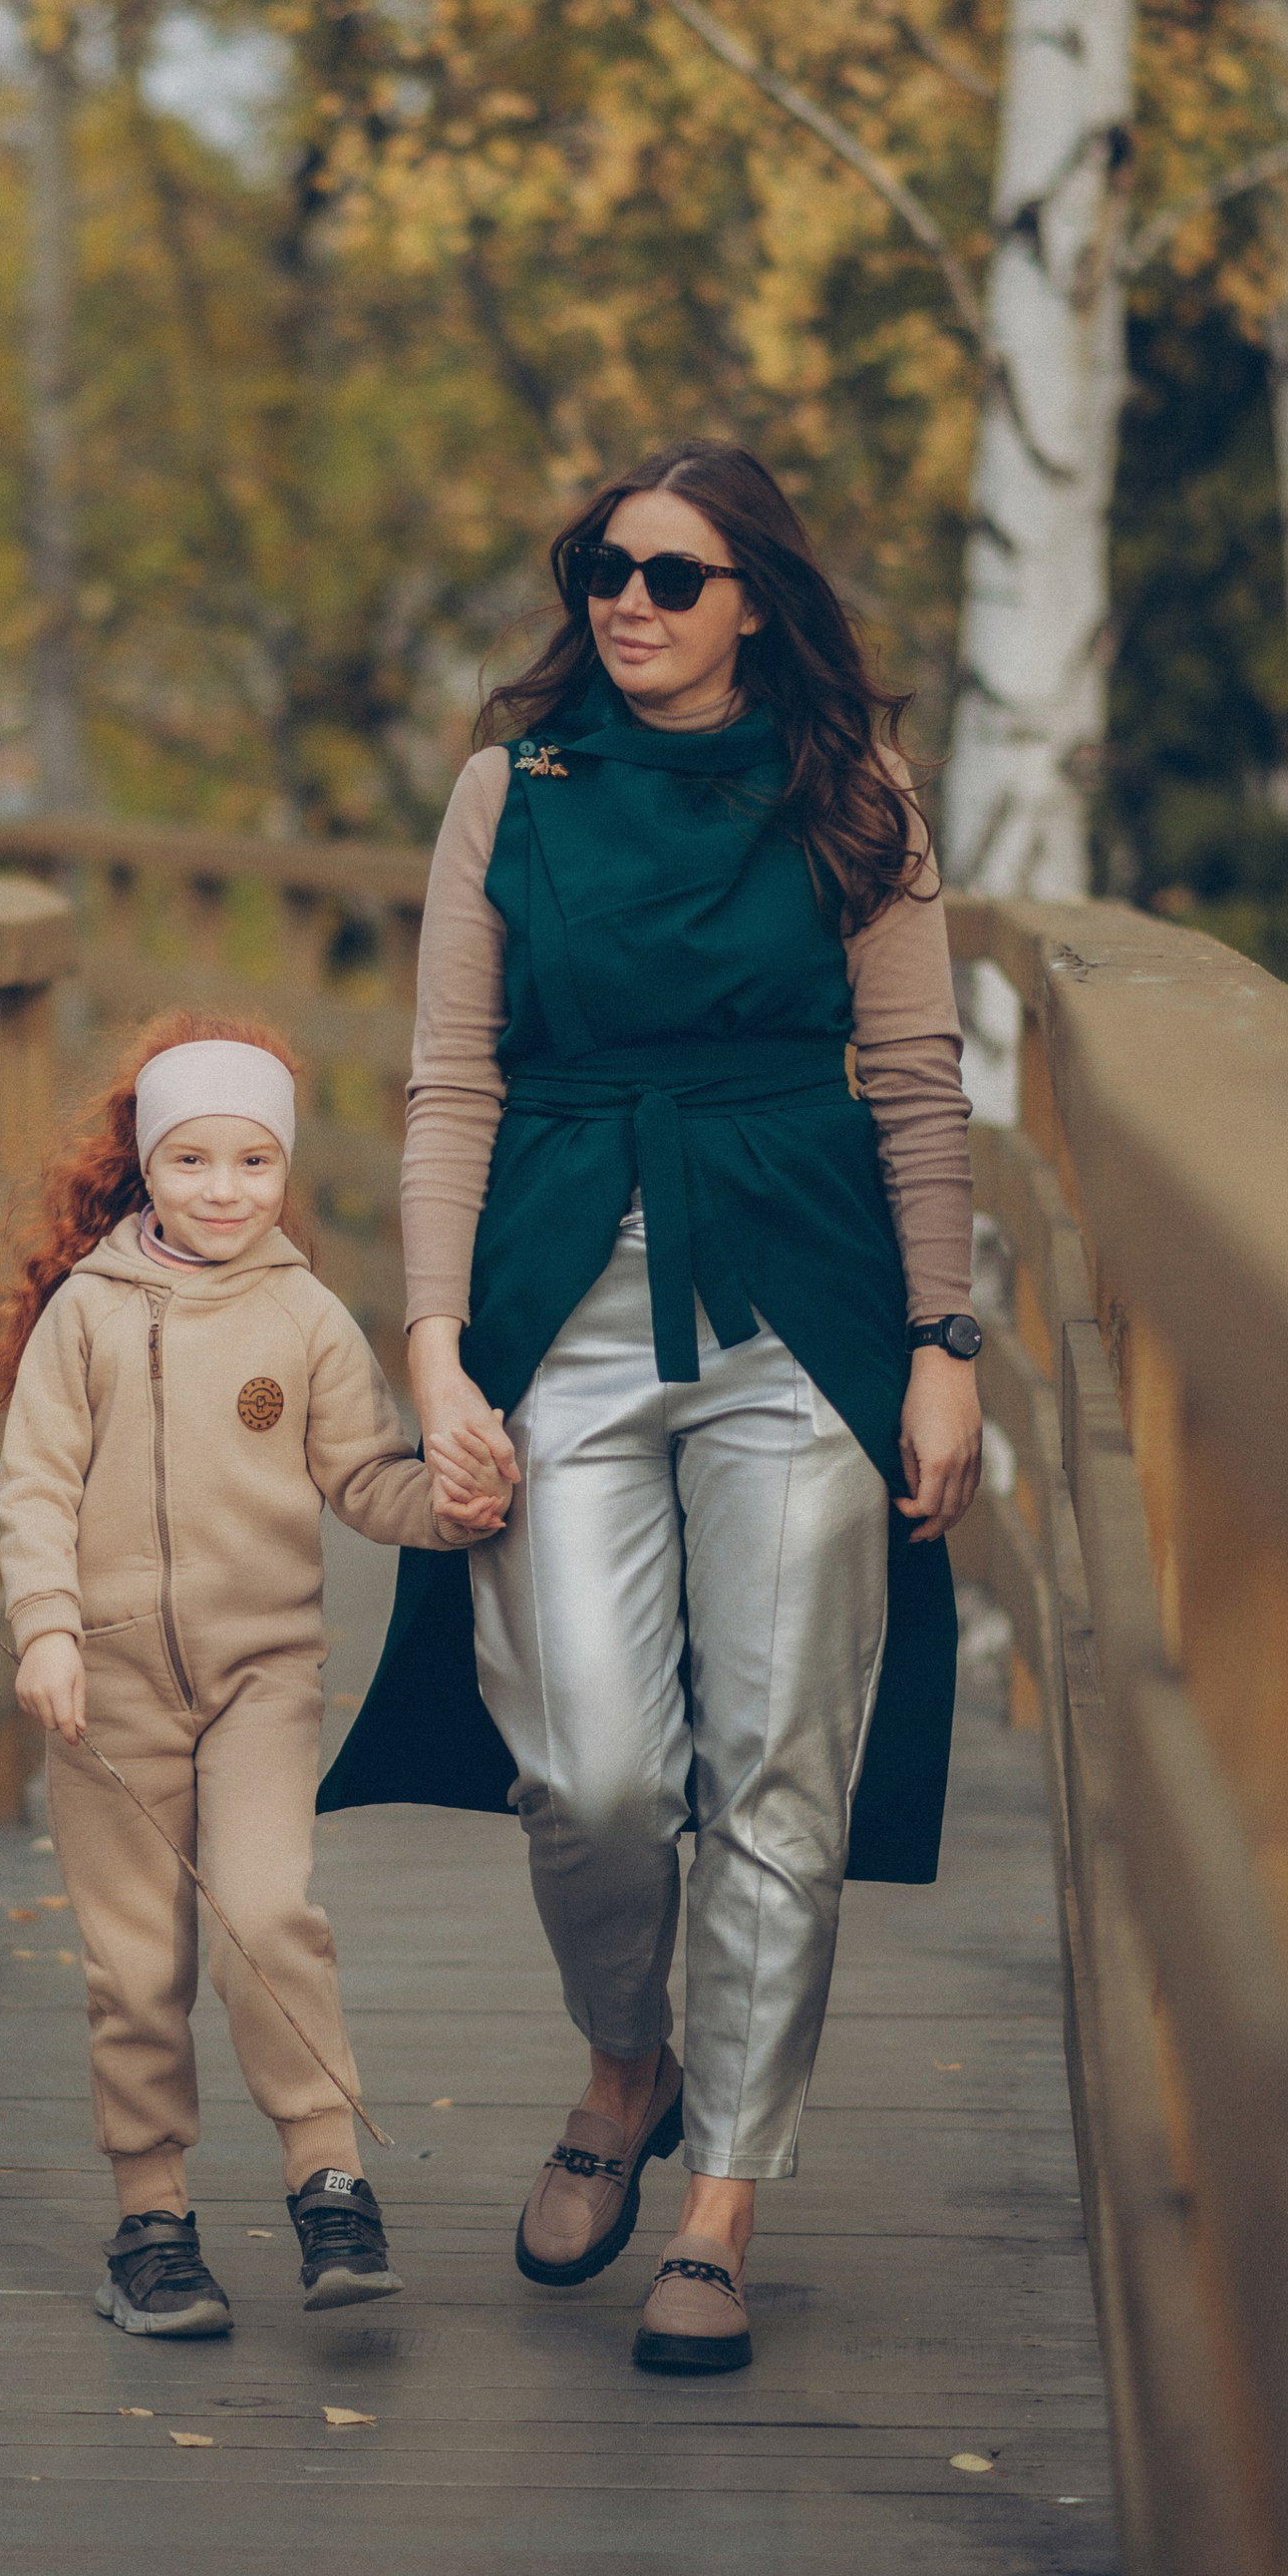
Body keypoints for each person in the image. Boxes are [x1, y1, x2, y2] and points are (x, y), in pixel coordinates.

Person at [323, 439, 982, 2376]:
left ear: (754, 601)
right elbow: (448, 1084)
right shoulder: (503, 793)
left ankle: (719, 2203)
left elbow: (920, 1082)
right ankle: (627, 2058)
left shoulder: (850, 790)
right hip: (558, 1305)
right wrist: (433, 1345)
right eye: (599, 567)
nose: (623, 601)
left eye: (670, 576)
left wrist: (944, 1343)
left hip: (801, 1298)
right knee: (593, 1768)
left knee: (776, 1755)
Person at [0, 1011, 494, 2343]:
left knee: (265, 1915)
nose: (223, 1191)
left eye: (252, 1164)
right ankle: (152, 2224)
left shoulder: (303, 1314)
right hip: (109, 1684)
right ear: (147, 1164)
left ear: (284, 1170)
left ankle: (330, 2182)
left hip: (264, 1673)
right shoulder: (85, 1316)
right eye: (192, 1161)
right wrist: (49, 1630)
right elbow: (33, 1486)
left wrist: (453, 1503)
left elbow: (367, 1475)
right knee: (136, 1962)